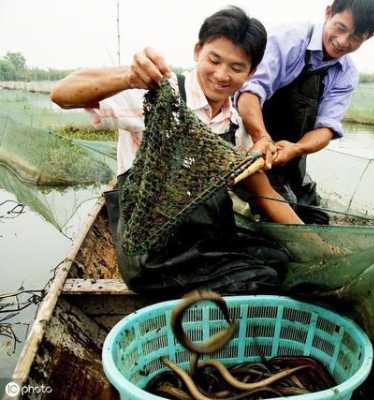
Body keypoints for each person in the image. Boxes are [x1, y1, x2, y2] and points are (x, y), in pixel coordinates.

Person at [51, 6, 293, 294]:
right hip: (153, 252)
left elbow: (263, 192)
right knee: (261, 278)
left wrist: (317, 243)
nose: (221, 75)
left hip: (203, 239)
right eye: (214, 60)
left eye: (236, 67)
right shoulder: (158, 97)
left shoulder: (235, 124)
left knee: (279, 259)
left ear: (251, 72)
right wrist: (129, 77)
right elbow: (62, 95)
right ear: (197, 51)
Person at [237, 0, 374, 225]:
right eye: (341, 28)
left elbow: (326, 129)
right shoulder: (289, 39)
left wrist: (296, 149)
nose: (343, 41)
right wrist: (261, 138)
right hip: (249, 143)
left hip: (290, 155)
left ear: (368, 37)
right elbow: (250, 94)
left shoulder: (346, 74)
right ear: (328, 13)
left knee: (317, 219)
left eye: (356, 37)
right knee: (275, 216)